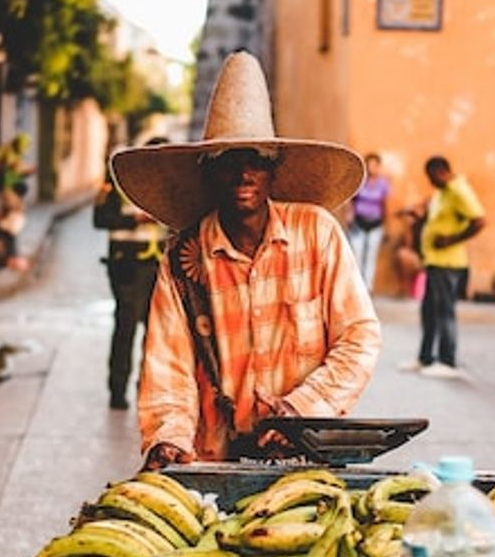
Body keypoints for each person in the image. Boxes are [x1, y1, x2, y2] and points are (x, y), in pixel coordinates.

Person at [110, 51, 381, 469]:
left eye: (256, 159)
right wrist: (168, 438)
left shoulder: (316, 232)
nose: (243, 173)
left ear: (272, 170)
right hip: (214, 459)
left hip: (307, 455)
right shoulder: (185, 259)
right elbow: (169, 369)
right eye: (228, 161)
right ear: (208, 172)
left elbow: (359, 336)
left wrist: (300, 409)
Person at [94, 138, 168, 411]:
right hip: (125, 266)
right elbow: (100, 219)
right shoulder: (118, 184)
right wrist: (134, 219)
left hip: (158, 266)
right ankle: (117, 389)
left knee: (156, 333)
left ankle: (147, 388)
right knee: (125, 326)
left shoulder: (170, 187)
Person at [399, 155, 486, 377]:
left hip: (449, 264)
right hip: (434, 261)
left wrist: (450, 240)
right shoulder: (443, 192)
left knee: (444, 312)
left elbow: (479, 221)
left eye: (431, 177)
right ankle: (425, 357)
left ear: (441, 172)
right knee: (429, 310)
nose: (430, 182)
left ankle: (447, 361)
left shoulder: (459, 191)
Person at [347, 152, 389, 292]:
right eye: (369, 165)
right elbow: (352, 201)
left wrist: (386, 225)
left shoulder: (383, 184)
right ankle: (356, 287)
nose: (372, 168)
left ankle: (367, 288)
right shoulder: (359, 182)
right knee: (356, 254)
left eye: (375, 165)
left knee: (370, 257)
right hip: (358, 223)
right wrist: (349, 216)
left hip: (375, 224)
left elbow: (385, 204)